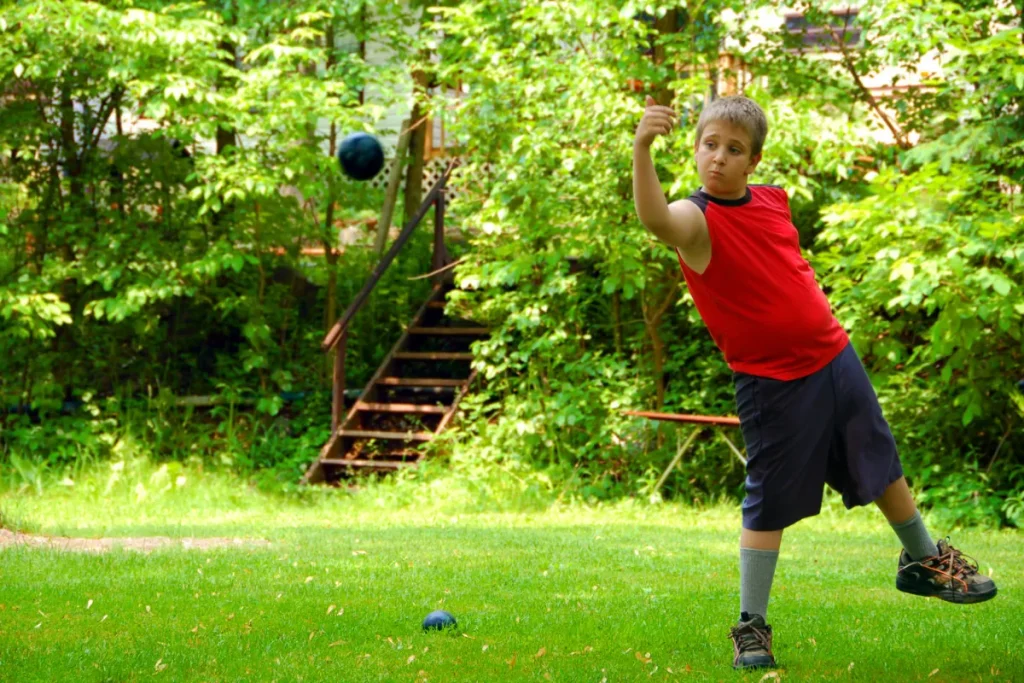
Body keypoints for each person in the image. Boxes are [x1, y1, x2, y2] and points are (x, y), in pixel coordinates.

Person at [631, 94, 997, 670]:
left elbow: (784, 268)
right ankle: (751, 626)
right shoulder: (695, 218)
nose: (719, 158)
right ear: (695, 148)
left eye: (734, 149)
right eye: (709, 145)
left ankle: (923, 561)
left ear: (754, 161)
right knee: (770, 499)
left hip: (834, 355)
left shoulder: (774, 200)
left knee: (880, 460)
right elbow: (655, 220)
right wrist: (642, 148)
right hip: (772, 380)